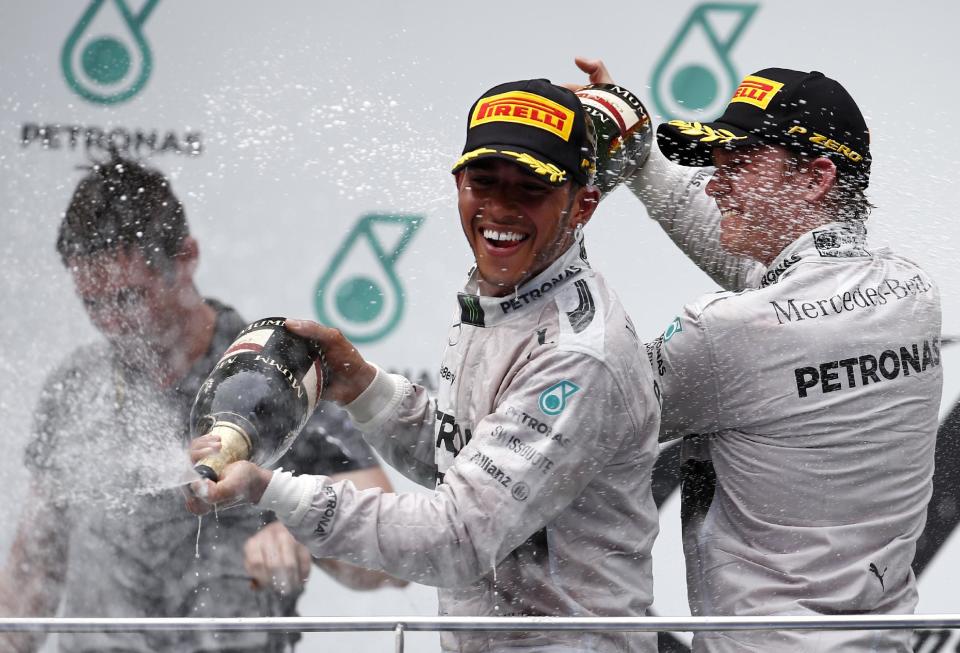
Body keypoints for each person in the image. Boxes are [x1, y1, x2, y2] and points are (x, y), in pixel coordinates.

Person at [186, 78, 662, 653]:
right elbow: (463, 464)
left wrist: (271, 490)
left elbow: (456, 538)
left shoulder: (576, 353)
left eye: (530, 189)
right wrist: (364, 390)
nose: (500, 209)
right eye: (484, 182)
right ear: (459, 182)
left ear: (582, 204)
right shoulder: (505, 297)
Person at [573, 59, 943, 651]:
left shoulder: (730, 331)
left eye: (737, 165)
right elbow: (776, 284)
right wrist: (642, 158)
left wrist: (549, 218)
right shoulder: (910, 291)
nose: (715, 185)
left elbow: (556, 422)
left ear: (815, 178)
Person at [0, 154, 399, 653]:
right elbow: (35, 566)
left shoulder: (267, 375)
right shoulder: (77, 386)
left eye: (127, 298)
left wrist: (304, 532)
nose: (110, 323)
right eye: (92, 303)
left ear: (186, 257)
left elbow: (389, 558)